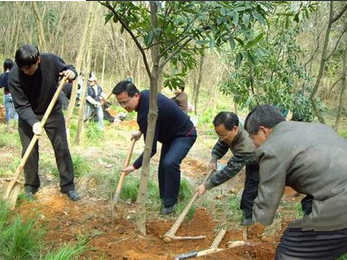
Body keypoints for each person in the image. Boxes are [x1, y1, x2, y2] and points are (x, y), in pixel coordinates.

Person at [244, 104, 347, 260]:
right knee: (309, 203)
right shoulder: (319, 128)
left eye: (252, 138)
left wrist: (254, 234)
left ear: (263, 130)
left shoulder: (271, 148)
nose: (254, 144)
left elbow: (266, 203)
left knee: (291, 247)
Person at [112, 81, 197, 214]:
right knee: (163, 167)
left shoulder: (146, 110)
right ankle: (165, 200)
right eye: (120, 103)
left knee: (170, 163)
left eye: (125, 102)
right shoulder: (146, 96)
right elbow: (153, 122)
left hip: (184, 134)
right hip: (170, 136)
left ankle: (170, 205)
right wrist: (141, 130)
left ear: (135, 95)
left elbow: (151, 149)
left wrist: (134, 166)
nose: (123, 106)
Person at [8, 43, 80, 201]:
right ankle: (31, 186)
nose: (26, 72)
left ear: (38, 60)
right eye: (23, 69)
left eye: (29, 68)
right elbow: (21, 105)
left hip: (52, 112)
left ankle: (68, 186)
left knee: (62, 148)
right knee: (29, 152)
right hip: (28, 115)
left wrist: (71, 73)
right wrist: (34, 122)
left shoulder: (51, 61)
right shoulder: (14, 75)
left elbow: (70, 69)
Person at [196, 111, 259, 226]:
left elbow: (230, 170)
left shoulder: (246, 145)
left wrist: (207, 185)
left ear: (235, 129)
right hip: (251, 159)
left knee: (252, 189)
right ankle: (248, 213)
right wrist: (214, 158)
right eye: (219, 135)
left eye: (223, 135)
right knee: (250, 186)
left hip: (263, 161)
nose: (221, 138)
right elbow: (222, 143)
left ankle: (249, 219)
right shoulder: (232, 128)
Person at [0, 58, 18, 123]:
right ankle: (15, 126)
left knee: (8, 113)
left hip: (7, 95)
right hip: (15, 95)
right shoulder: (15, 74)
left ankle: (9, 127)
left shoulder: (2, 75)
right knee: (16, 112)